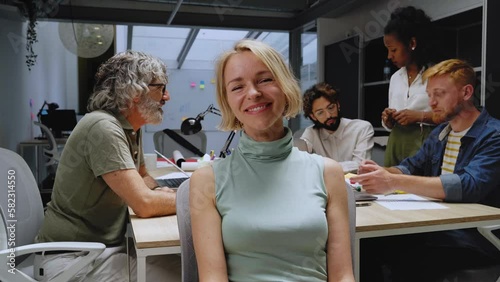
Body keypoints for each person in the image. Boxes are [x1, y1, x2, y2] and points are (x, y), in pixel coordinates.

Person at [189, 39, 354, 281]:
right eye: (237, 87)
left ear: (285, 87)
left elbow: (342, 276)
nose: (253, 93)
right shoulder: (207, 181)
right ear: (228, 102)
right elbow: (212, 277)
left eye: (265, 80)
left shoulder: (329, 173)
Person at [34, 51, 181, 281]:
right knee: (187, 271)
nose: (167, 96)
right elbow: (144, 203)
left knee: (187, 261)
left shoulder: (131, 127)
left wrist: (149, 195)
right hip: (70, 260)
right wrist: (195, 196)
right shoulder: (103, 128)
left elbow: (144, 179)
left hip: (101, 250)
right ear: (135, 92)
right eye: (161, 87)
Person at [352, 59, 500, 281]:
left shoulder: (493, 135)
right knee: (364, 245)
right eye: (429, 94)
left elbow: (468, 185)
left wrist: (392, 182)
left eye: (439, 94)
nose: (431, 102)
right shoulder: (442, 133)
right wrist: (378, 172)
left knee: (402, 258)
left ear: (467, 92)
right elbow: (411, 166)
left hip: (475, 237)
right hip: (438, 228)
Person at [382, 6, 436, 167]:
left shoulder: (436, 75)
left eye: (393, 50)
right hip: (396, 142)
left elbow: (450, 116)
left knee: (420, 188)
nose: (389, 56)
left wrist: (419, 116)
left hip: (424, 141)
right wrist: (388, 119)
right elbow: (390, 126)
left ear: (412, 43)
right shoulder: (395, 78)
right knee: (389, 188)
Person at [301, 82, 374, 172]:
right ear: (313, 116)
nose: (328, 115)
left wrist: (321, 167)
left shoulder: (362, 128)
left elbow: (361, 165)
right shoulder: (310, 134)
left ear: (338, 105)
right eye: (320, 112)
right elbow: (303, 164)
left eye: (331, 108)